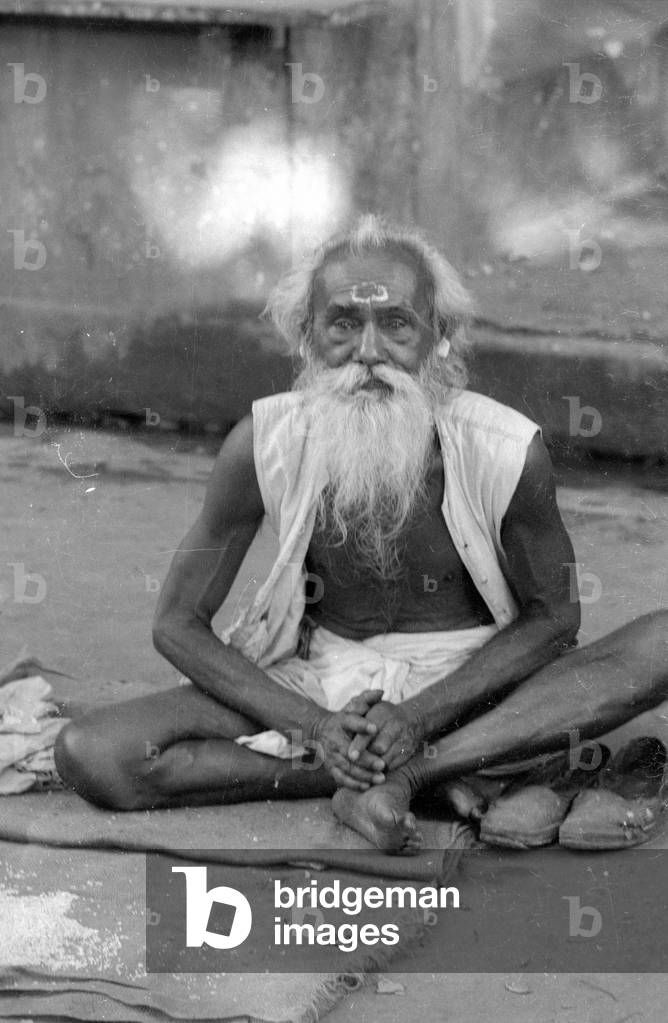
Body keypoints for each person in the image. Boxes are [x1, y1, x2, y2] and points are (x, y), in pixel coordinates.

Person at [55, 215, 668, 853]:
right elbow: (176, 622)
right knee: (94, 754)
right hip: (320, 684)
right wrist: (315, 726)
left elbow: (553, 619)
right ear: (305, 338)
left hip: (476, 688)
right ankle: (407, 773)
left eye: (397, 324)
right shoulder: (263, 445)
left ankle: (414, 772)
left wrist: (419, 720)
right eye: (344, 324)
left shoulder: (507, 450)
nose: (370, 352)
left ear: (441, 338)